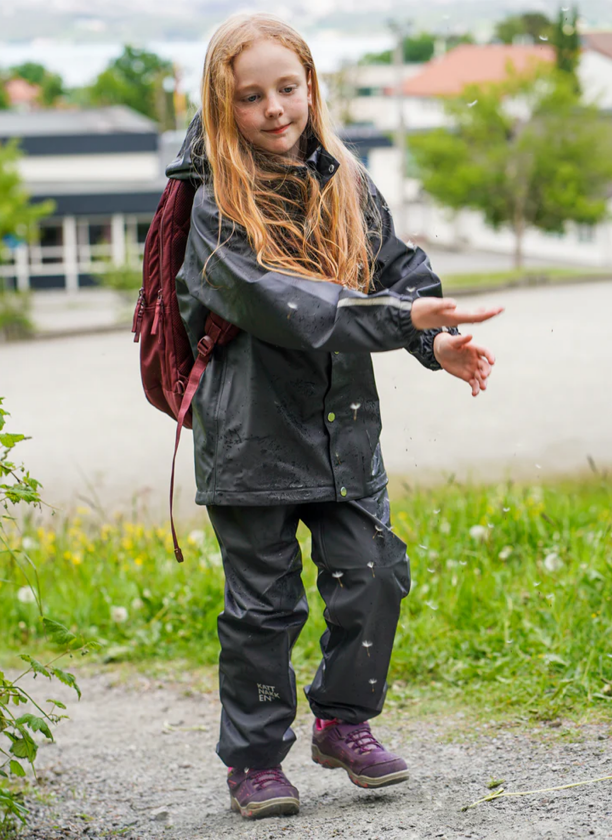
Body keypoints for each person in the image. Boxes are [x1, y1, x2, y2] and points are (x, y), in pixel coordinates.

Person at [167, 13, 503, 821]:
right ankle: (254, 763)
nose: (276, 108)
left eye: (289, 87)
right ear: (223, 106)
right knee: (264, 608)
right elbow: (301, 311)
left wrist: (440, 341)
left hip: (342, 426)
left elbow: (399, 270)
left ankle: (342, 723)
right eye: (252, 97)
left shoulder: (345, 180)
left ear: (312, 87)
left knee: (375, 573)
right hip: (251, 438)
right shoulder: (216, 210)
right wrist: (404, 325)